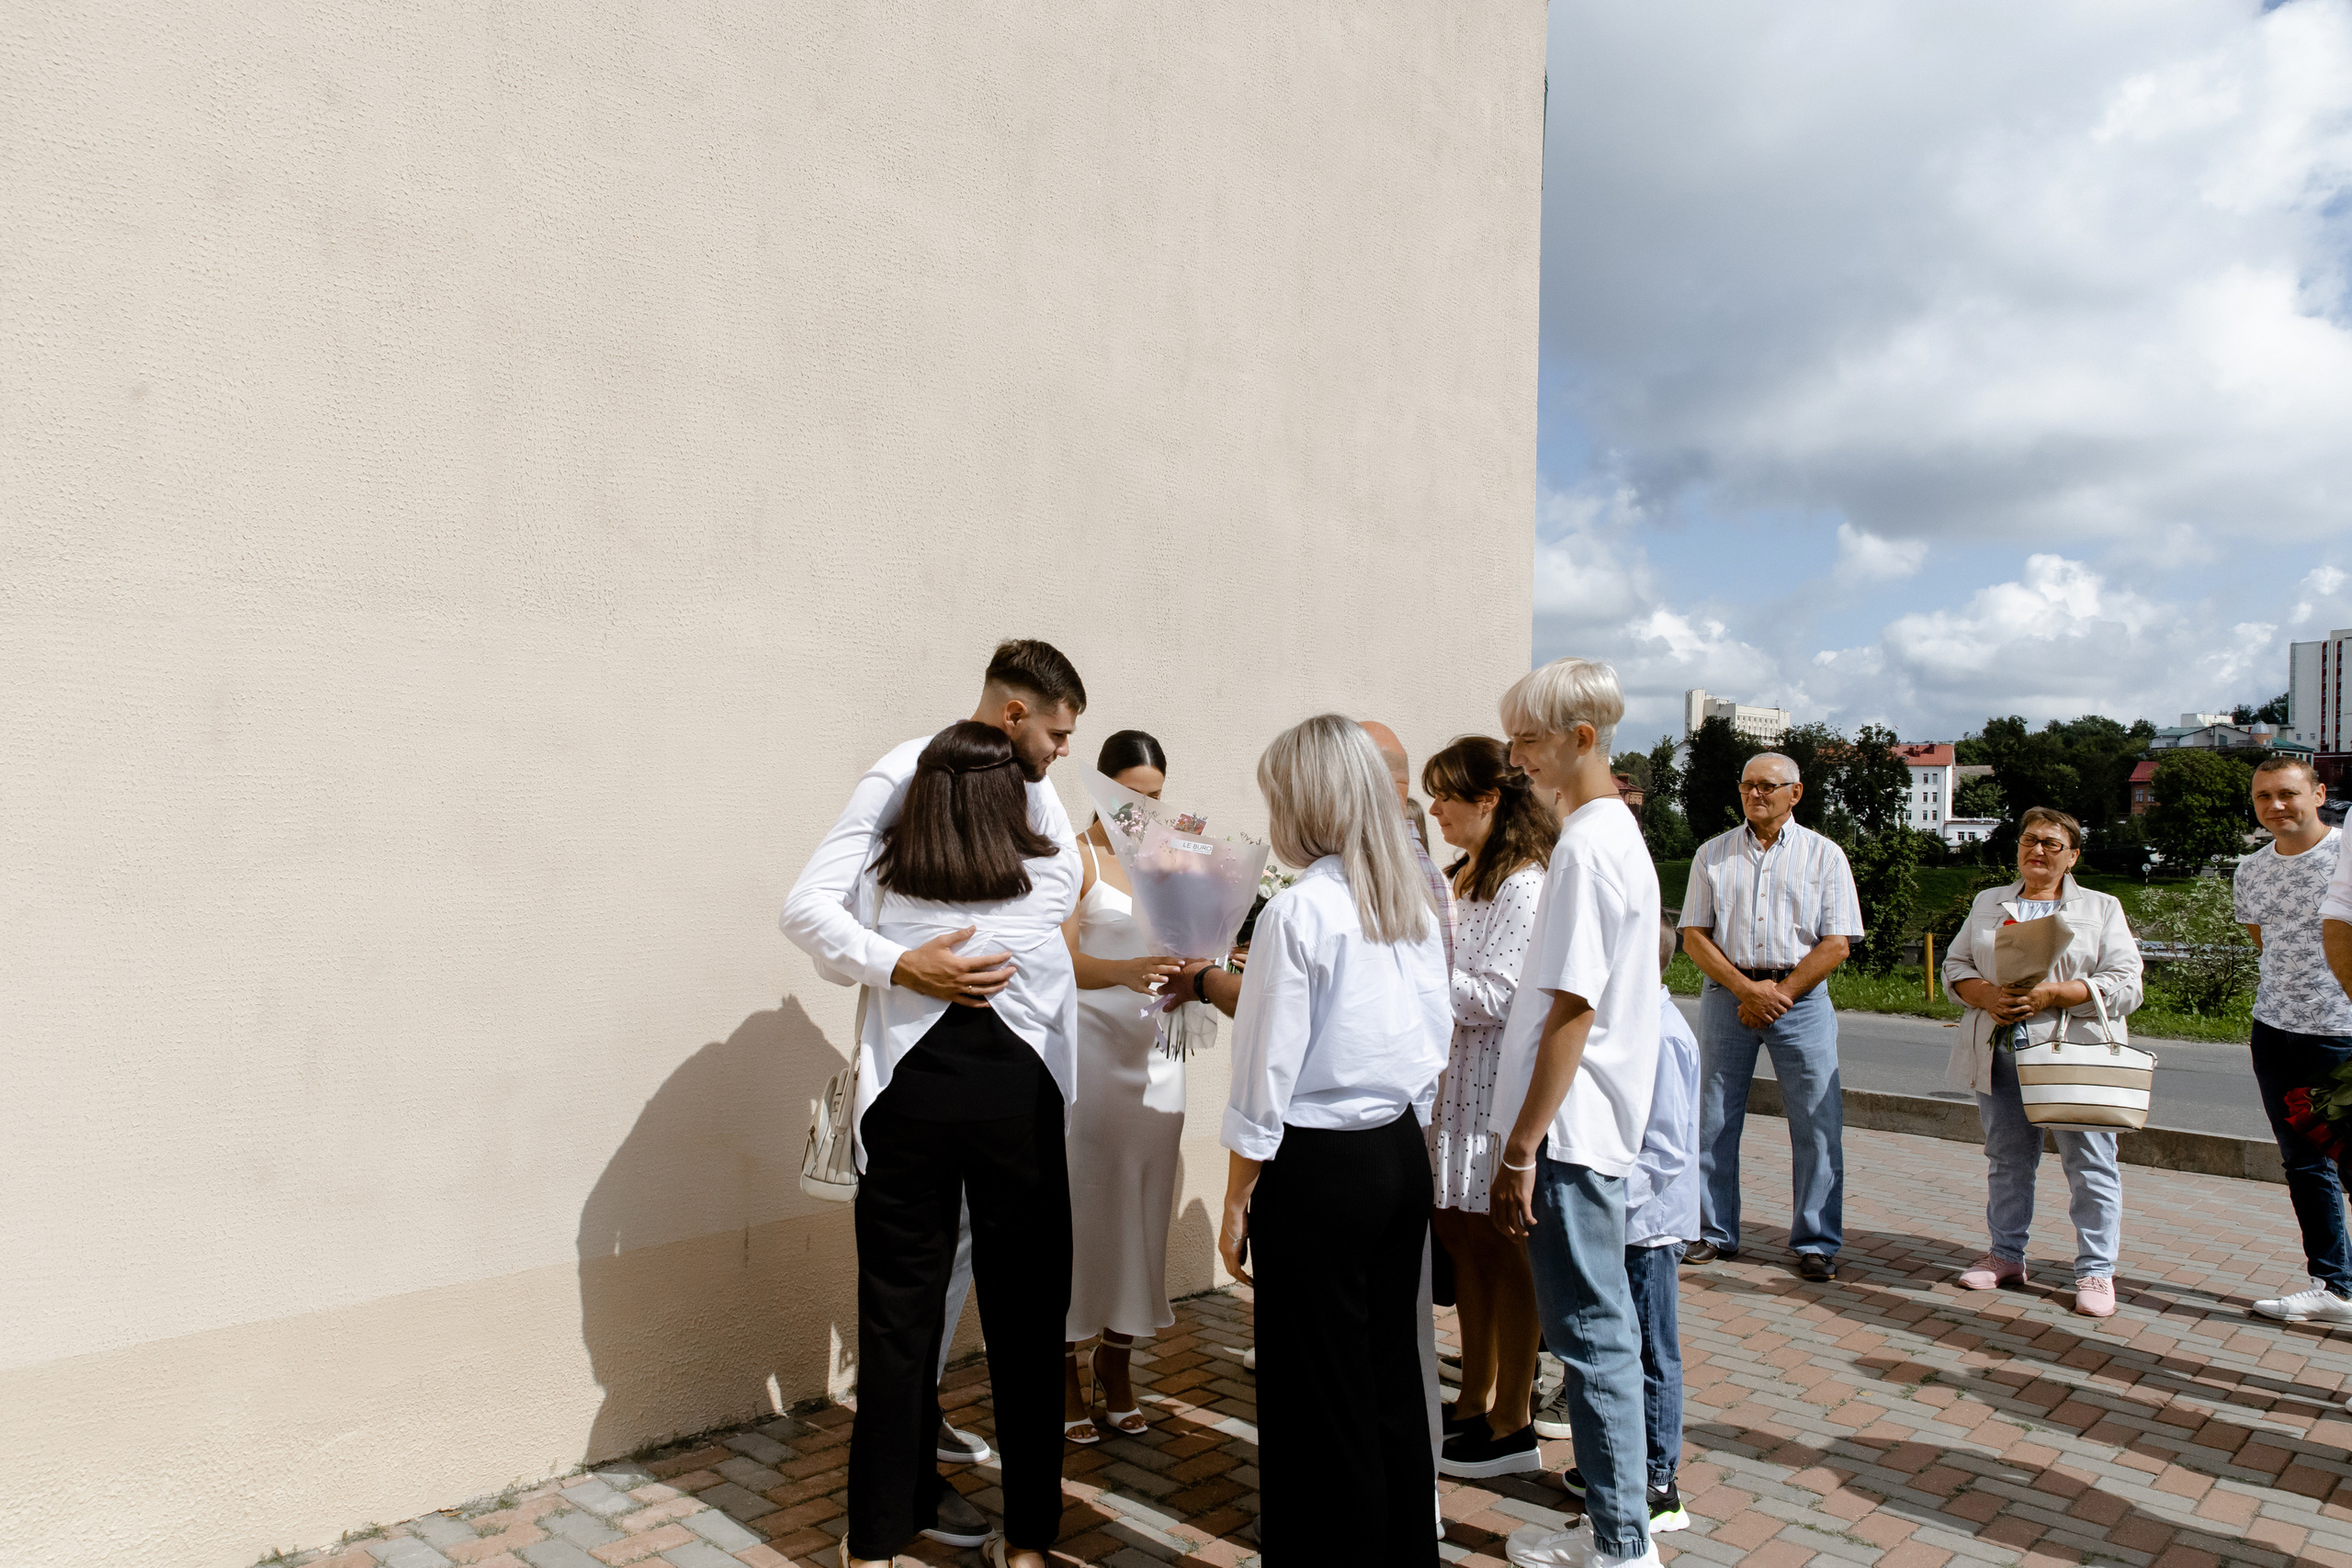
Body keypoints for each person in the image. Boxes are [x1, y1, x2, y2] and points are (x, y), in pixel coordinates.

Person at [777, 641, 1086, 1568]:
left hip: (913, 1094)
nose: (1064, 753)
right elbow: (806, 906)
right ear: (1011, 718)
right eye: (1058, 733)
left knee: (896, 1324)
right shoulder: (903, 777)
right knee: (1027, 1326)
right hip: (1009, 1092)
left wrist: (893, 946)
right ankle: (1027, 1543)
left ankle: (870, 1545)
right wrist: (903, 961)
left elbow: (838, 909)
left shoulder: (902, 857)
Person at [1205, 714, 1451, 1566]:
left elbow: (1265, 1069)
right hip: (1395, 1151)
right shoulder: (1408, 898)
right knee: (1387, 1380)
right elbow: (1436, 1038)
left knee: (1316, 1394)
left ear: (1306, 802)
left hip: (1316, 1167)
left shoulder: (1302, 910)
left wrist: (1239, 1191)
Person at [1488, 657, 1664, 1568]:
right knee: (1598, 1335)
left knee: (1591, 1340)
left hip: (1570, 1131)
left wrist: (1522, 1145)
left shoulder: (1591, 846)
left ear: (1580, 739)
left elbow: (1572, 1006)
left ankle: (1623, 1546)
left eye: (1526, 738)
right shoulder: (1605, 837)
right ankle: (1614, 1529)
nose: (1514, 755)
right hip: (1582, 1127)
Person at [1941, 806, 2143, 1319]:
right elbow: (1955, 964)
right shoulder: (1991, 901)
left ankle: (2096, 1271)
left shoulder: (2101, 907)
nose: (2038, 850)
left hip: (2074, 1051)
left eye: (2052, 844)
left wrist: (2060, 993)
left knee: (2090, 1163)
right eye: (2030, 840)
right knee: (2007, 1159)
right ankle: (2006, 1255)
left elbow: (2127, 982)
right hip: (2002, 1049)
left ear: (2072, 857)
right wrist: (1985, 994)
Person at [1419, 737, 1556, 1480]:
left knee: (1506, 1251)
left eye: (1446, 795)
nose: (1435, 808)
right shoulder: (1462, 873)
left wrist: (1410, 980)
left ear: (1489, 801)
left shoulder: (1523, 883)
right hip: (1452, 1082)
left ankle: (1513, 1414)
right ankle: (1471, 1395)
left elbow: (1500, 992)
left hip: (1491, 1082)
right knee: (1464, 1242)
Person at [1679, 751, 1862, 1281]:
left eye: (1768, 786)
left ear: (1795, 793)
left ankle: (1816, 1241)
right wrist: (1745, 989)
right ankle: (1713, 1232)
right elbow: (1694, 934)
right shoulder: (1711, 855)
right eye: (1747, 786)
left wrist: (1778, 994)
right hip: (1727, 994)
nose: (1756, 794)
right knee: (1713, 1118)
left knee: (1817, 1123)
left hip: (1799, 1000)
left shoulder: (1825, 857)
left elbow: (1837, 942)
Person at [1060, 729, 1186, 1438]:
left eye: (1155, 796)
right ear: (1102, 788)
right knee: (1084, 1213)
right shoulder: (1073, 858)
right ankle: (1065, 1371)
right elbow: (1061, 960)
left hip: (1159, 1063)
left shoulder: (1175, 863)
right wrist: (1126, 972)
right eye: (1130, 795)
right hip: (1091, 1057)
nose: (1143, 808)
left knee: (1142, 1213)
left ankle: (1117, 1360)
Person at [1560, 917, 1698, 1534]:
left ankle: (1657, 1477)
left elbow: (1665, 1150)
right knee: (1623, 1340)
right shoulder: (1644, 1026)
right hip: (1625, 1217)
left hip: (1648, 1222)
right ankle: (1617, 1463)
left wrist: (1611, 1200)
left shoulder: (1665, 1034)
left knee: (1650, 1348)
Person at [2235, 760, 2352, 1324]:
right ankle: (2333, 1285)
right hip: (2276, 1032)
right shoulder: (2250, 871)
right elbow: (2265, 943)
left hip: (2340, 1035)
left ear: (2320, 793)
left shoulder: (2346, 857)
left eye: (2288, 794)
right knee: (2303, 1164)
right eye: (2263, 797)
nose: (2275, 806)